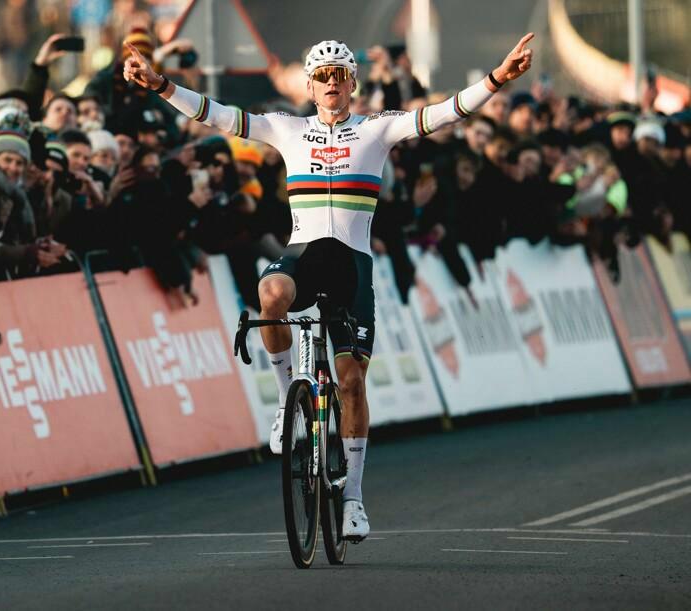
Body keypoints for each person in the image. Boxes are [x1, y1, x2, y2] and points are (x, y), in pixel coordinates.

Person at [124, 32, 535, 541]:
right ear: (311, 85)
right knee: (269, 296)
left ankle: (355, 500)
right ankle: (283, 405)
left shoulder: (376, 130)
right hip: (304, 254)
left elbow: (444, 113)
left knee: (351, 383)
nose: (331, 83)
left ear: (353, 84)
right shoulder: (287, 129)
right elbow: (216, 115)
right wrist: (161, 85)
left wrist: (497, 78)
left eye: (339, 75)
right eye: (322, 76)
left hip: (353, 265)